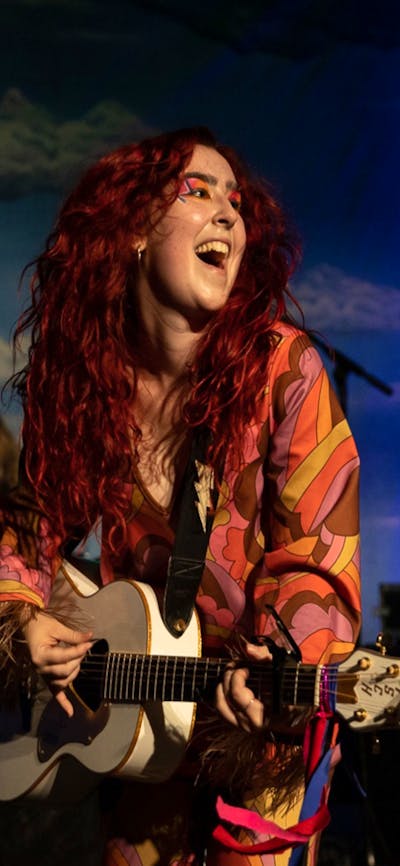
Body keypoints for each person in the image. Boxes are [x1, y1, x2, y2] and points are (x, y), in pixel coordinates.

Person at [0, 126, 361, 866]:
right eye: (198, 191)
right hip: (133, 736)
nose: (229, 213)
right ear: (132, 229)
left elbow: (316, 557)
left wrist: (281, 657)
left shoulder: (282, 370)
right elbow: (33, 526)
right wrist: (23, 620)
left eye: (237, 201)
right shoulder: (85, 386)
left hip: (259, 737)